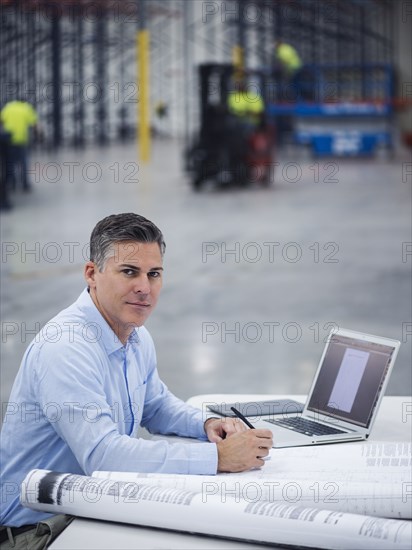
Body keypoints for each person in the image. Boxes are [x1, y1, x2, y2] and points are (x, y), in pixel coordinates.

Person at [0, 213, 273, 548]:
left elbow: (155, 405)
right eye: (129, 272)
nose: (144, 287)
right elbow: (103, 455)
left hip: (88, 506)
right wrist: (218, 458)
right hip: (39, 531)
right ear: (92, 274)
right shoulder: (66, 347)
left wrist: (209, 424)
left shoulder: (134, 335)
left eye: (153, 274)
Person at [0, 99, 38, 192]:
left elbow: (1, 121)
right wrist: (37, 136)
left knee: (10, 163)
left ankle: (11, 183)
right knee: (24, 163)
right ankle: (25, 184)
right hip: (22, 140)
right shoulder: (26, 108)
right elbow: (34, 124)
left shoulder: (7, 108)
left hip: (9, 140)